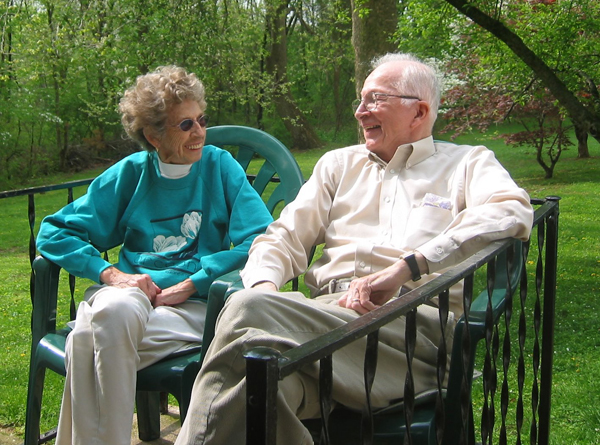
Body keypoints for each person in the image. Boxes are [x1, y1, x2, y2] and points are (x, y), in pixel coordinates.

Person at [175, 53, 534, 445]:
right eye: (359, 101)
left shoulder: (467, 163)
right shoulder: (338, 165)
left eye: (375, 99)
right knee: (259, 390)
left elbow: (510, 209)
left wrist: (409, 266)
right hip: (320, 322)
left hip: (412, 332)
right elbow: (282, 236)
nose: (361, 112)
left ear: (419, 111)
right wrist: (265, 291)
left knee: (243, 310)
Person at [36, 65, 273, 445]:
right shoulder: (131, 174)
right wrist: (112, 275)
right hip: (130, 297)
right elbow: (53, 231)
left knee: (87, 338)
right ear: (153, 135)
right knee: (112, 313)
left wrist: (195, 280)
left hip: (195, 305)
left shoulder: (219, 167)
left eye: (201, 120)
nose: (199, 132)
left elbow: (261, 239)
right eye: (185, 125)